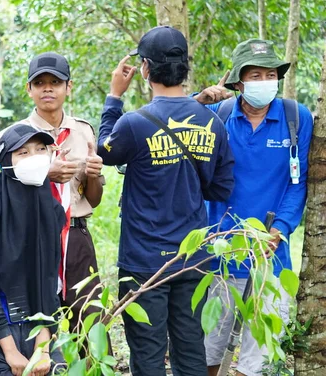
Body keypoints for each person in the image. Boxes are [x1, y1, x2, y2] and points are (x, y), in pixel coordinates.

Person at [97, 26, 235, 376]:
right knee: (191, 354)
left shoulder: (133, 123)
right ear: (185, 68)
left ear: (145, 68)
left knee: (147, 355)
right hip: (192, 259)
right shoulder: (213, 123)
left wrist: (114, 97)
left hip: (144, 262)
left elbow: (103, 150)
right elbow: (221, 189)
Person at [197, 39, 313, 376]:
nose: (265, 81)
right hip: (220, 257)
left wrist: (281, 230)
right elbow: (168, 119)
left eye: (271, 74)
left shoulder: (296, 117)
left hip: (271, 263)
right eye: (256, 75)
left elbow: (298, 182)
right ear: (237, 82)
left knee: (258, 362)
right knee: (207, 352)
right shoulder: (216, 117)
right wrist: (199, 100)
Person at [0, 52, 106, 339]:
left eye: (55, 82)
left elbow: (93, 199)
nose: (48, 89)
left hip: (77, 237)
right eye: (40, 82)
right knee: (39, 326)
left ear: (68, 87)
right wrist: (45, 173)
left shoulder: (83, 132)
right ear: (29, 89)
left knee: (90, 322)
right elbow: (1, 192)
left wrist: (94, 174)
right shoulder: (14, 136)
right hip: (32, 239)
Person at [0, 124, 66, 376]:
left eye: (41, 150)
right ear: (6, 159)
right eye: (23, 152)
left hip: (37, 324)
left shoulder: (52, 210)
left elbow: (49, 280)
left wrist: (42, 349)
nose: (35, 158)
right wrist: (9, 350)